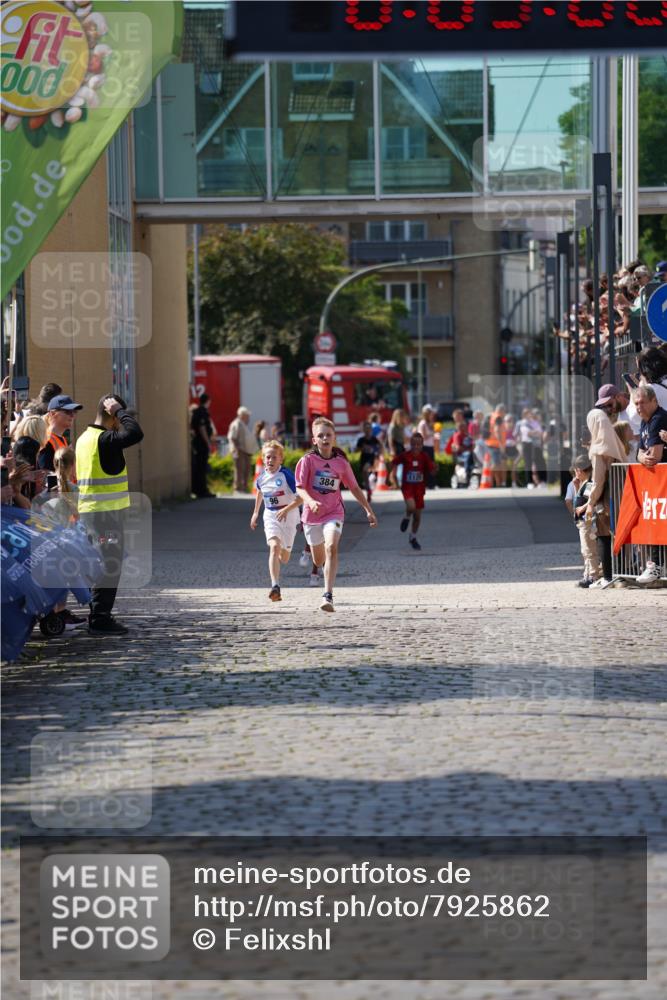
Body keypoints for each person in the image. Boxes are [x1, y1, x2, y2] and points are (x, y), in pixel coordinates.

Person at [76, 395, 144, 634]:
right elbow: (135, 434)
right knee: (109, 564)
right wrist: (119, 412)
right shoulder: (104, 439)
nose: (121, 423)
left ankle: (98, 614)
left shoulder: (84, 438)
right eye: (118, 417)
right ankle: (100, 619)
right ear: (112, 416)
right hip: (104, 515)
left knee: (103, 563)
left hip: (92, 513)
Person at [295, 417, 377, 612]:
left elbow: (354, 488)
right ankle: (319, 562)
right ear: (314, 440)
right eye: (320, 435)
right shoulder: (307, 461)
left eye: (328, 435)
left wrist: (368, 510)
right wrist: (310, 501)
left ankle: (328, 595)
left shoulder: (341, 463)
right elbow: (299, 488)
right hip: (312, 516)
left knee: (332, 547)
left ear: (334, 437)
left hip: (334, 512)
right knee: (318, 560)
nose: (325, 438)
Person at [250, 440, 302, 602]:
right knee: (274, 546)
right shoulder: (261, 478)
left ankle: (280, 555)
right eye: (268, 457)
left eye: (274, 457)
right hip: (271, 515)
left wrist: (286, 510)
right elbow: (260, 492)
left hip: (289, 515)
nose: (270, 460)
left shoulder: (286, 475)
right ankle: (275, 586)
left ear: (281, 459)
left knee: (284, 557)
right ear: (263, 458)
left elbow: (301, 498)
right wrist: (255, 513)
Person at [584, 407, 628, 588]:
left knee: (603, 534)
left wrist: (590, 502)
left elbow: (598, 480)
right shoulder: (615, 443)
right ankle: (622, 575)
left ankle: (608, 577)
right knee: (620, 534)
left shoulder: (598, 448)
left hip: (606, 498)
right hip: (621, 493)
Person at [633, 385, 667, 586]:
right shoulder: (645, 422)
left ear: (654, 401)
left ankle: (656, 566)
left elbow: (654, 457)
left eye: (642, 402)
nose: (639, 407)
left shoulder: (658, 419)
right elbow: (639, 453)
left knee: (658, 522)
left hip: (662, 483)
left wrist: (644, 457)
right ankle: (655, 565)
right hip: (657, 485)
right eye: (636, 403)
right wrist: (641, 457)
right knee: (655, 522)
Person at [392, 431, 436, 551]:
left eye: (418, 444)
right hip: (407, 488)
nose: (416, 447)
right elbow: (394, 462)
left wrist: (434, 469)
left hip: (419, 489)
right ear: (410, 444)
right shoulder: (405, 455)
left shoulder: (424, 456)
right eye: (414, 444)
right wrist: (393, 476)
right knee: (411, 507)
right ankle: (406, 517)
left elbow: (431, 470)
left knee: (417, 517)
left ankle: (413, 537)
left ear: (422, 445)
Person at [564, 455, 601, 588]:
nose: (575, 473)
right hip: (582, 521)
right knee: (585, 550)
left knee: (589, 549)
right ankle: (587, 574)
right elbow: (578, 498)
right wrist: (576, 486)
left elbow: (591, 499)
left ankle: (593, 575)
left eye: (576, 470)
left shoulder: (589, 483)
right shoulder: (583, 483)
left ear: (579, 470)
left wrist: (582, 508)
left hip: (587, 521)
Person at [38, 394, 83, 473]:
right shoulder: (46, 439)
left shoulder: (62, 439)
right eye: (67, 411)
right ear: (52, 414)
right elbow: (45, 474)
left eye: (74, 412)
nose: (72, 415)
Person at [190, 393, 214, 499]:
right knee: (202, 467)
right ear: (208, 401)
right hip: (201, 444)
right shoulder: (202, 412)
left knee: (200, 467)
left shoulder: (197, 411)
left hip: (198, 443)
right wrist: (208, 442)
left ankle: (199, 489)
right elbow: (202, 428)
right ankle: (202, 490)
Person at [227, 406, 256, 493]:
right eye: (247, 415)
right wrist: (236, 448)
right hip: (239, 450)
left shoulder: (242, 424)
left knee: (245, 469)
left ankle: (243, 488)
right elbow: (232, 437)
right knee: (239, 469)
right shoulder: (237, 423)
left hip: (245, 451)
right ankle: (238, 488)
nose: (248, 417)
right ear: (242, 415)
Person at [356, 421, 381, 502]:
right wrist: (362, 448)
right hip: (363, 458)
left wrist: (378, 455)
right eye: (366, 429)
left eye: (369, 428)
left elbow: (380, 447)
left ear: (371, 429)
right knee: (365, 477)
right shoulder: (361, 440)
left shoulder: (374, 439)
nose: (367, 430)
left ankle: (369, 489)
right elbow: (356, 450)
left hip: (371, 458)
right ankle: (368, 491)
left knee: (365, 469)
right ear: (363, 430)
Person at [417, 405, 436, 488]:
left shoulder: (429, 423)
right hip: (424, 447)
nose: (431, 415)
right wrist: (432, 433)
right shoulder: (423, 423)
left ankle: (431, 483)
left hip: (430, 446)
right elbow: (423, 436)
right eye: (430, 413)